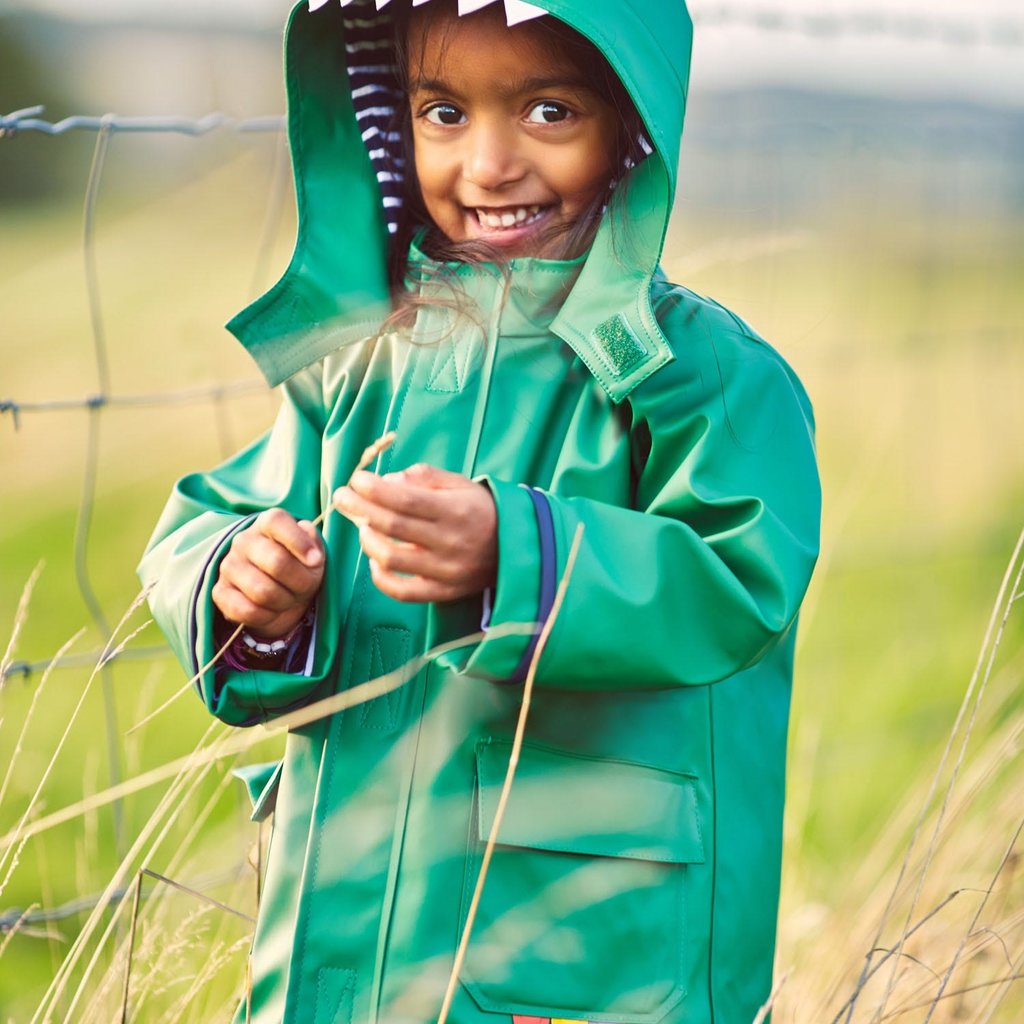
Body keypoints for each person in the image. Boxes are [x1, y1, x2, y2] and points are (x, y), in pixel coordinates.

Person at [139, 1, 821, 1022]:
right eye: (442, 113)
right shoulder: (360, 364)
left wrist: (521, 553)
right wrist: (243, 580)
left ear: (634, 128)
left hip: (575, 958)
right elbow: (215, 515)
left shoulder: (700, 378)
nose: (489, 164)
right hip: (339, 941)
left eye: (549, 110)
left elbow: (740, 574)